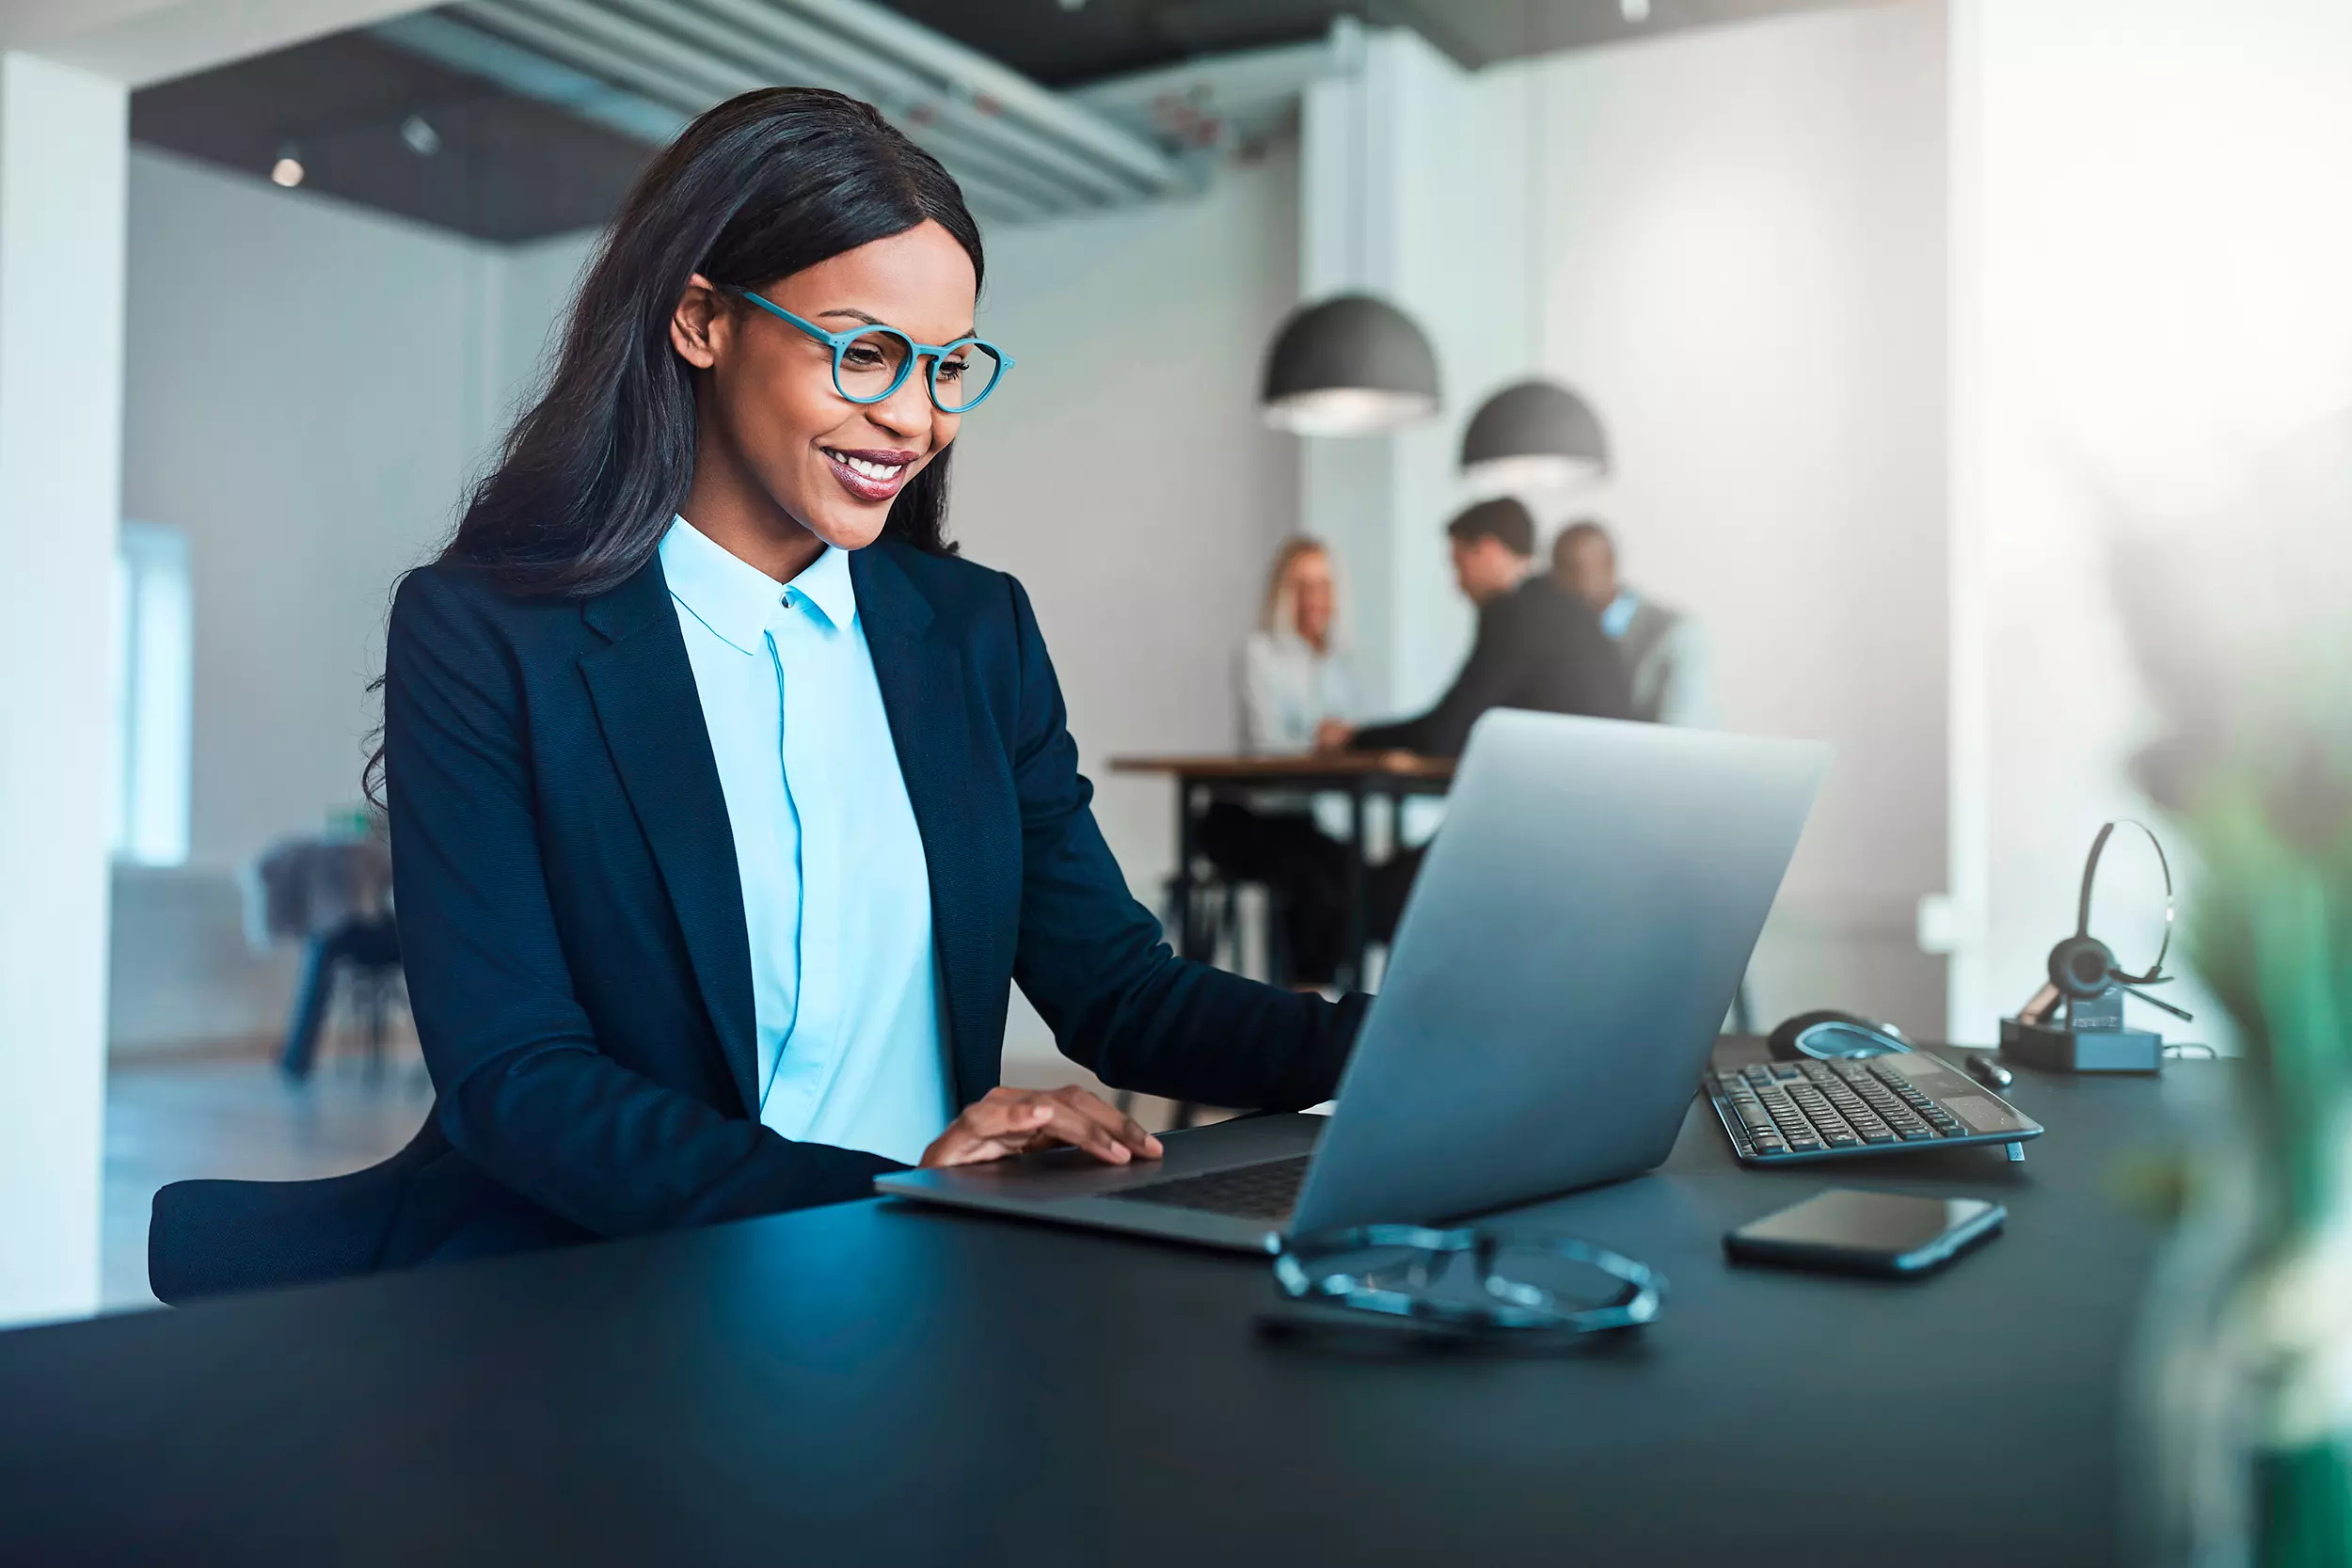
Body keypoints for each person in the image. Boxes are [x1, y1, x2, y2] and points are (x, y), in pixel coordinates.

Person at [371, 88, 1363, 1267]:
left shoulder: (972, 629)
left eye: (948, 367)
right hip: (634, 1290)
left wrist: (1416, 1046)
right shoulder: (488, 633)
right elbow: (516, 1080)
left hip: (929, 1283)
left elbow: (1118, 992)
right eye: (865, 352)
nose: (911, 417)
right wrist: (891, 1191)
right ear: (700, 318)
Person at [1319, 498, 1631, 758]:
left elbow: (1445, 733)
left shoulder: (1514, 615)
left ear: (1488, 550)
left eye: (1459, 564)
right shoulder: (1562, 609)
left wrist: (1354, 739)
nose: (1458, 584)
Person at [1196, 538, 1355, 988]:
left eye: (1323, 584)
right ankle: (1298, 1003)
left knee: (1353, 878)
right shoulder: (1259, 652)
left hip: (1298, 820)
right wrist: (1324, 740)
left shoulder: (1338, 663)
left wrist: (1331, 740)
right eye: (1302, 584)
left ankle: (1326, 1000)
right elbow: (1268, 742)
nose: (1314, 597)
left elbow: (1346, 737)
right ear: (1283, 593)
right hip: (1244, 819)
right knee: (1313, 884)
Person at [1553, 519, 1713, 727]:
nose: (1564, 583)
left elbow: (1680, 734)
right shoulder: (1563, 634)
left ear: (1608, 566)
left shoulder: (1678, 636)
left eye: (1573, 568)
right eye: (1558, 572)